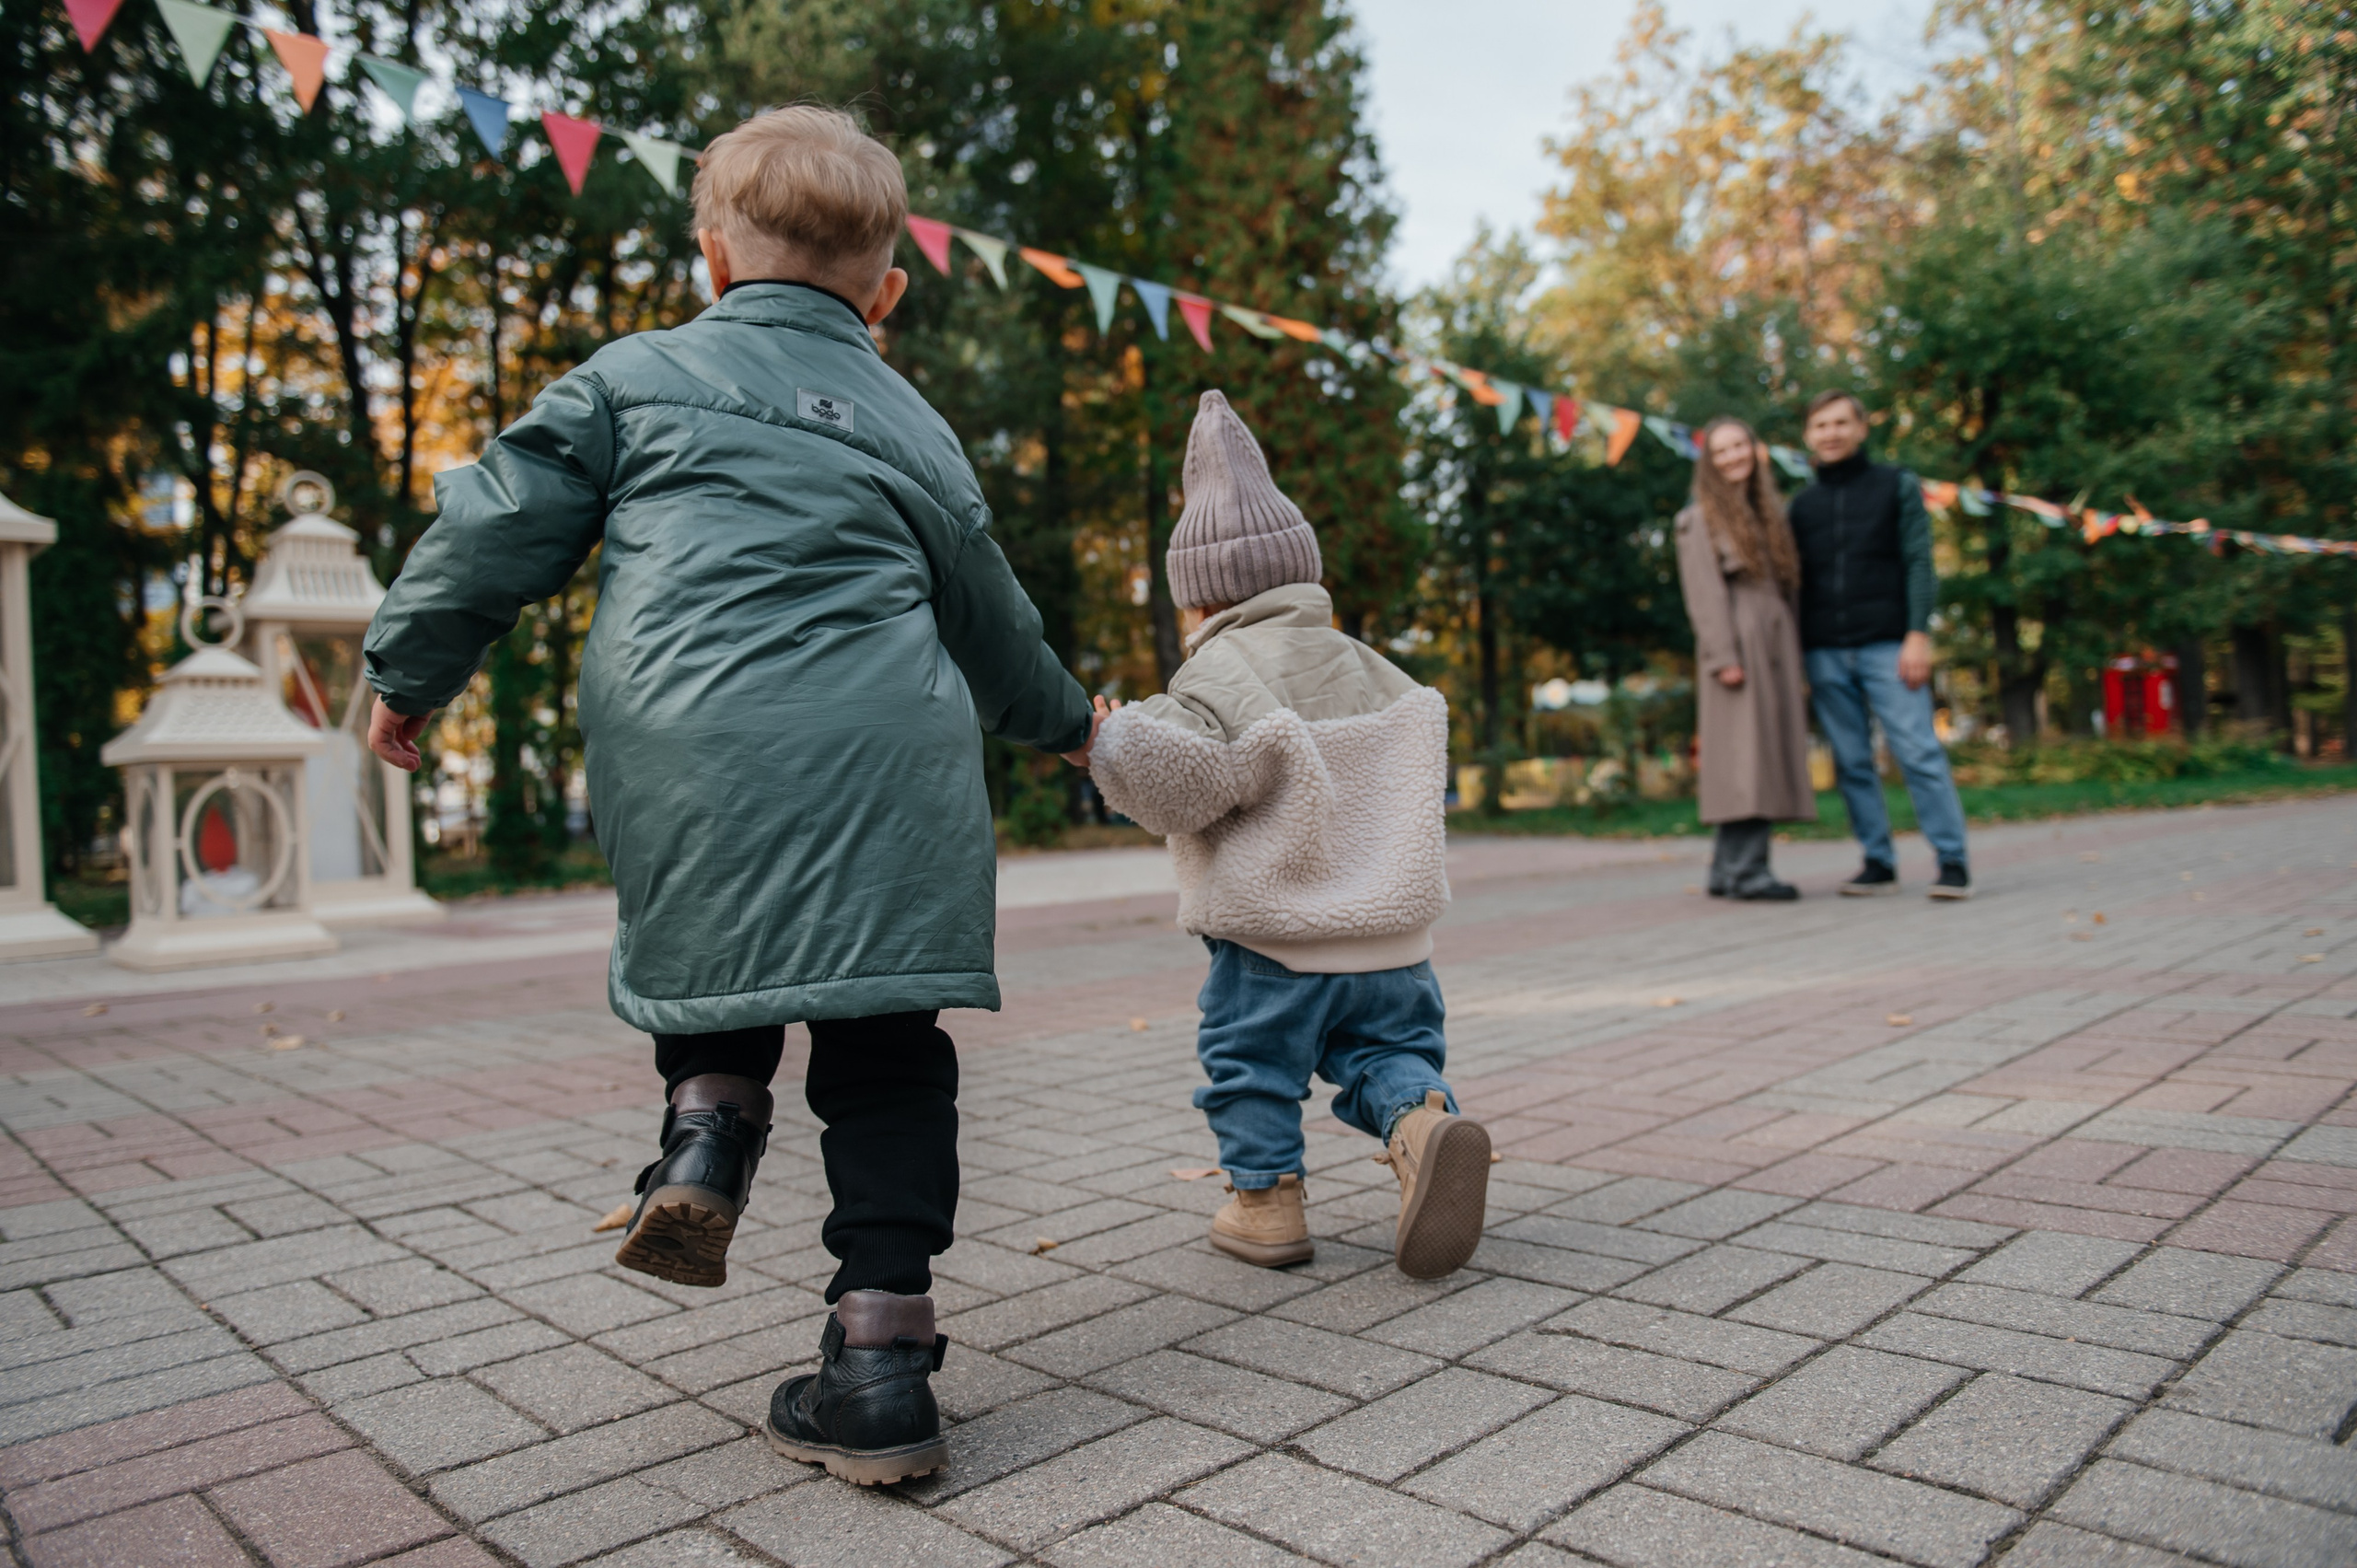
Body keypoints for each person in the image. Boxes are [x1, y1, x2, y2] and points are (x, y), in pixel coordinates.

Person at [361, 107, 1099, 1486]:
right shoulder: (916, 426)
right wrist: (1073, 729)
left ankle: (707, 1126)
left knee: (726, 970)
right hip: (891, 760)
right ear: (885, 290)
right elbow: (992, 621)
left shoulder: (631, 376)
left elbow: (491, 524)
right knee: (885, 1044)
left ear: (712, 258)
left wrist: (411, 671)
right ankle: (882, 1359)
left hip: (689, 739)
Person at [1087, 390, 1492, 1282]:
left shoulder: (1217, 675)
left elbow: (1177, 781)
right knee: (1388, 1052)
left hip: (1275, 940)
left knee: (1251, 1066)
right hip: (1394, 941)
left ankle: (1265, 1202)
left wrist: (1109, 738)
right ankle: (1420, 1123)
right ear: (1299, 574)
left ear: (1202, 595)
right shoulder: (1378, 666)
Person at [1790, 389, 1971, 900]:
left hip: (1890, 646)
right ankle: (1877, 861)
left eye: (1841, 423)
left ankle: (1953, 860)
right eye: (1821, 425)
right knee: (1850, 760)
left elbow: (1919, 561)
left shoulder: (1896, 486)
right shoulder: (1801, 507)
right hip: (1823, 650)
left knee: (1918, 751)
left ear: (1861, 428)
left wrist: (1918, 633)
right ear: (1808, 436)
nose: (1831, 433)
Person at [1675, 417, 1816, 900]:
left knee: (1759, 752)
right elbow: (1703, 592)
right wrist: (1722, 654)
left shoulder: (1767, 513)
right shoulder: (1700, 518)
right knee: (1744, 755)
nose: (1733, 456)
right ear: (1710, 463)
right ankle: (1748, 870)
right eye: (1722, 451)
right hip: (1738, 636)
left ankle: (1725, 867)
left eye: (1740, 447)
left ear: (1755, 452)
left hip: (1774, 637)